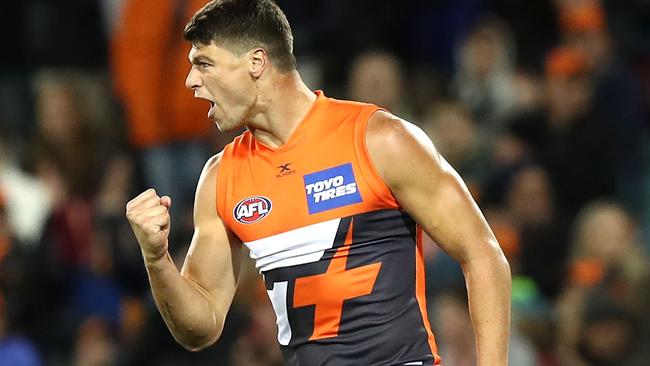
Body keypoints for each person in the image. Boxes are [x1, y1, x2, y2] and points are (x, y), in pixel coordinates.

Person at [125, 1, 511, 365]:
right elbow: (201, 326)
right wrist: (157, 259)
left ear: (256, 62)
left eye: (204, 64)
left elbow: (482, 253)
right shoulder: (221, 177)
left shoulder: (379, 140)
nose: (191, 81)